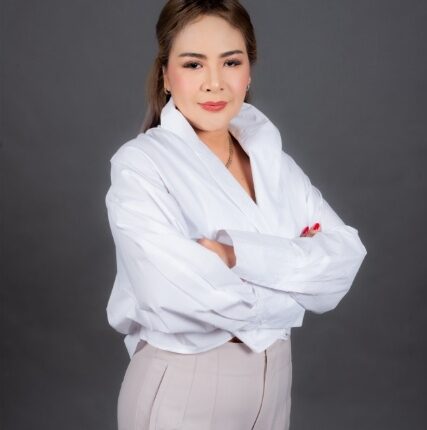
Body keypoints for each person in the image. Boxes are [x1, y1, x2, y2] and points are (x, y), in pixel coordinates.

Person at [104, 1, 367, 429]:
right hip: (185, 386)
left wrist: (233, 256)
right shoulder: (140, 165)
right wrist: (295, 284)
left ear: (249, 72)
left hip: (275, 379)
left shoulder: (273, 160)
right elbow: (173, 294)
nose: (214, 83)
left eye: (231, 62)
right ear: (166, 75)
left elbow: (345, 259)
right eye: (193, 64)